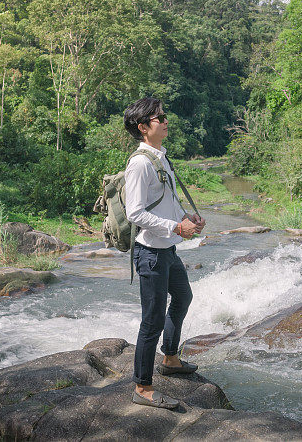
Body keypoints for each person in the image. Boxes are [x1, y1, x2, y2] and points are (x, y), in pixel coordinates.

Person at [123, 97, 206, 409]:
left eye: (163, 115)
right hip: (150, 254)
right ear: (144, 128)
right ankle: (142, 387)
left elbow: (168, 200)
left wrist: (188, 218)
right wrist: (175, 227)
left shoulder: (161, 157)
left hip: (167, 250)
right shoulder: (140, 163)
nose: (165, 120)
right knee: (152, 320)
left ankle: (170, 358)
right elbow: (135, 213)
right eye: (159, 118)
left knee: (183, 298)